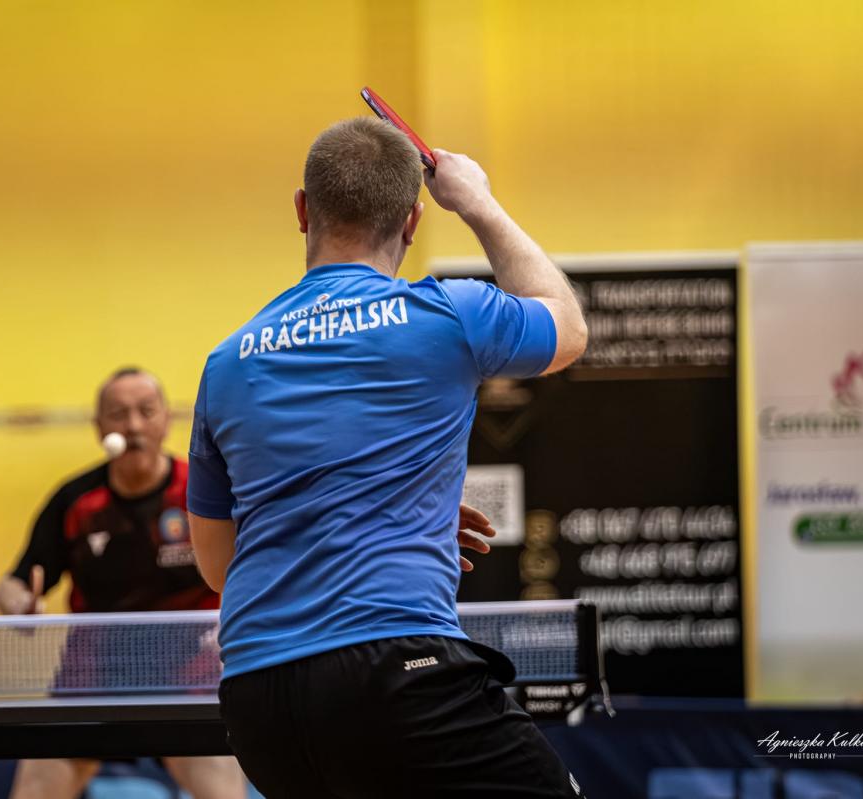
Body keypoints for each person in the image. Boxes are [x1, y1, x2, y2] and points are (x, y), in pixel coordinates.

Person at [185, 118, 589, 798]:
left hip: (258, 700)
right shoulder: (448, 315)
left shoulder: (226, 363)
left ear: (302, 210)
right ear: (412, 220)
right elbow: (567, 327)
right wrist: (478, 202)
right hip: (395, 673)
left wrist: (389, 509)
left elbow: (218, 563)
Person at [0, 368, 246, 799]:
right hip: (92, 681)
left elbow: (251, 568)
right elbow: (14, 582)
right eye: (118, 414)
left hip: (190, 680)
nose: (132, 426)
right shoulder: (76, 501)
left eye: (146, 411)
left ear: (166, 420)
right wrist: (20, 605)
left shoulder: (203, 493)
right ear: (99, 427)